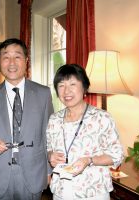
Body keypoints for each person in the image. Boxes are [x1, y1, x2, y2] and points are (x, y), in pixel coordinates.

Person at [0, 38, 54, 200]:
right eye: (6, 57)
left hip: (33, 173)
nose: (11, 62)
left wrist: (48, 171)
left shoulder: (43, 93)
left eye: (17, 56)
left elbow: (49, 135)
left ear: (26, 61)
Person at [47, 64, 124, 200]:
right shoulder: (54, 119)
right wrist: (50, 155)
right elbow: (48, 148)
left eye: (72, 84)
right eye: (61, 85)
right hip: (60, 191)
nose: (66, 91)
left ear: (84, 87)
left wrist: (89, 160)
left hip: (92, 192)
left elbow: (117, 155)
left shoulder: (101, 118)